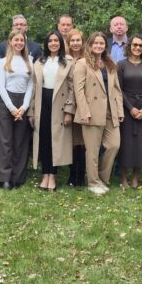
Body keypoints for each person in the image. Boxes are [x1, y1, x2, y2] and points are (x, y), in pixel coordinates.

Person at [73, 32, 124, 195]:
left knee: (114, 145)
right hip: (91, 111)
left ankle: (102, 178)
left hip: (111, 110)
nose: (98, 46)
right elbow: (78, 90)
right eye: (95, 43)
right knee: (93, 150)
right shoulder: (82, 63)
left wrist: (119, 110)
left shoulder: (110, 63)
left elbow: (117, 89)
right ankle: (93, 182)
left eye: (101, 43)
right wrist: (84, 111)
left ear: (105, 46)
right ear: (89, 45)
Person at [31, 31, 75, 191]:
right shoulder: (39, 61)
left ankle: (53, 175)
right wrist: (31, 111)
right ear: (46, 43)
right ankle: (45, 174)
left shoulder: (68, 61)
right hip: (42, 102)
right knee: (43, 139)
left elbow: (72, 87)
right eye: (50, 41)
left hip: (59, 103)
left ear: (61, 43)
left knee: (54, 140)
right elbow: (34, 88)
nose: (53, 43)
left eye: (56, 40)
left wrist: (69, 110)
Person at [0, 29, 35, 188]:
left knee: (20, 141)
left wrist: (24, 107)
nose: (19, 43)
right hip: (6, 102)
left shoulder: (29, 61)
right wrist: (12, 108)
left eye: (21, 40)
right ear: (10, 42)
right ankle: (3, 177)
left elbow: (30, 86)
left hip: (23, 102)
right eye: (16, 40)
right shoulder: (3, 61)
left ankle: (17, 177)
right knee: (5, 141)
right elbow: (0, 87)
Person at [117, 34, 142, 190]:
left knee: (141, 144)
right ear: (129, 46)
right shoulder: (121, 65)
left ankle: (135, 177)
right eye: (135, 45)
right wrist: (131, 108)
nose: (138, 48)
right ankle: (123, 177)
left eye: (141, 45)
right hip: (126, 108)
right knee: (125, 143)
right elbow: (119, 89)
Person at [64, 29, 87, 187]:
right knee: (71, 141)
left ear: (83, 42)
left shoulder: (88, 59)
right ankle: (72, 174)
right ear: (68, 42)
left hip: (84, 104)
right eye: (72, 40)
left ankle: (81, 175)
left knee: (83, 141)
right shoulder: (64, 60)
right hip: (68, 104)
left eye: (78, 40)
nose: (75, 43)